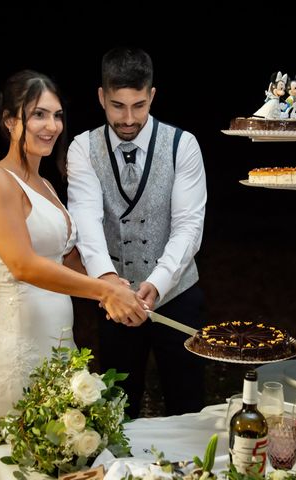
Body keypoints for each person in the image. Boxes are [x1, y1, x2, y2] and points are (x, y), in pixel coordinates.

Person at [0, 69, 147, 419]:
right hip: (20, 345)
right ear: (10, 120)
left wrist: (113, 283)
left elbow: (64, 259)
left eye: (56, 115)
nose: (51, 126)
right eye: (38, 114)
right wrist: (102, 293)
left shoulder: (46, 186)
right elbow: (23, 265)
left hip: (60, 343)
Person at [66, 47, 208, 417]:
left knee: (187, 403)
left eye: (139, 105)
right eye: (117, 106)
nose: (128, 118)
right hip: (114, 300)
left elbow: (189, 227)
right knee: (118, 407)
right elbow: (86, 220)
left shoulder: (184, 145)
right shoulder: (82, 148)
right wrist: (110, 283)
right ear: (101, 97)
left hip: (177, 294)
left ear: (152, 96)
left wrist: (159, 281)